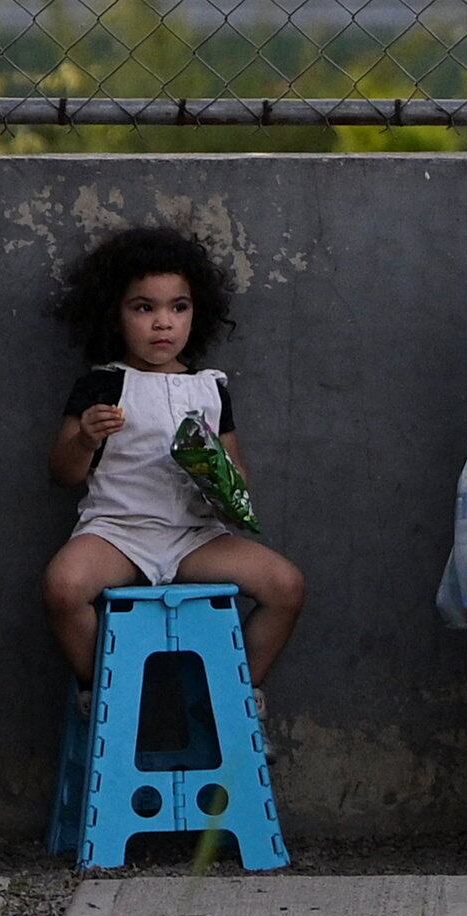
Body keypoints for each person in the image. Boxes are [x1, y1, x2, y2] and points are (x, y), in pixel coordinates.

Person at [44, 223, 306, 682]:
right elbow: (62, 474)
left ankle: (241, 692)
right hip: (117, 534)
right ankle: (102, 693)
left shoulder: (209, 389)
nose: (163, 322)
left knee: (286, 586)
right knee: (63, 587)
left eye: (178, 307)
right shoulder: (102, 384)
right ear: (114, 315)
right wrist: (85, 438)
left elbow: (237, 476)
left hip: (195, 538)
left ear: (195, 314)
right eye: (144, 308)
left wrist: (222, 483)